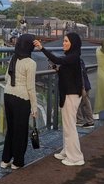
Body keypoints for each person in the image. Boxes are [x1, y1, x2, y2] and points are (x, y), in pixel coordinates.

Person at [33, 33, 85, 166]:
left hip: (71, 94)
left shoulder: (73, 57)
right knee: (67, 125)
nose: (64, 43)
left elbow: (57, 60)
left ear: (73, 43)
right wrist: (57, 69)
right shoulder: (72, 57)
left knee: (70, 126)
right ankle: (67, 150)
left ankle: (76, 157)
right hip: (69, 93)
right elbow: (65, 71)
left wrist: (42, 48)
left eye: (66, 41)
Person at [1, 33, 38, 170]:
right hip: (22, 98)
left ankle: (5, 160)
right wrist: (34, 108)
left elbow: (6, 77)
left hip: (8, 95)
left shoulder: (13, 58)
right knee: (20, 130)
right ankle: (17, 161)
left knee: (11, 129)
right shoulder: (31, 63)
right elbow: (30, 87)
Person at [76, 58, 95, 129]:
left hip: (82, 86)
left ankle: (89, 122)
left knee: (85, 103)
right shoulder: (79, 59)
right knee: (80, 103)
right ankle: (81, 120)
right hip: (84, 85)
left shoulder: (75, 60)